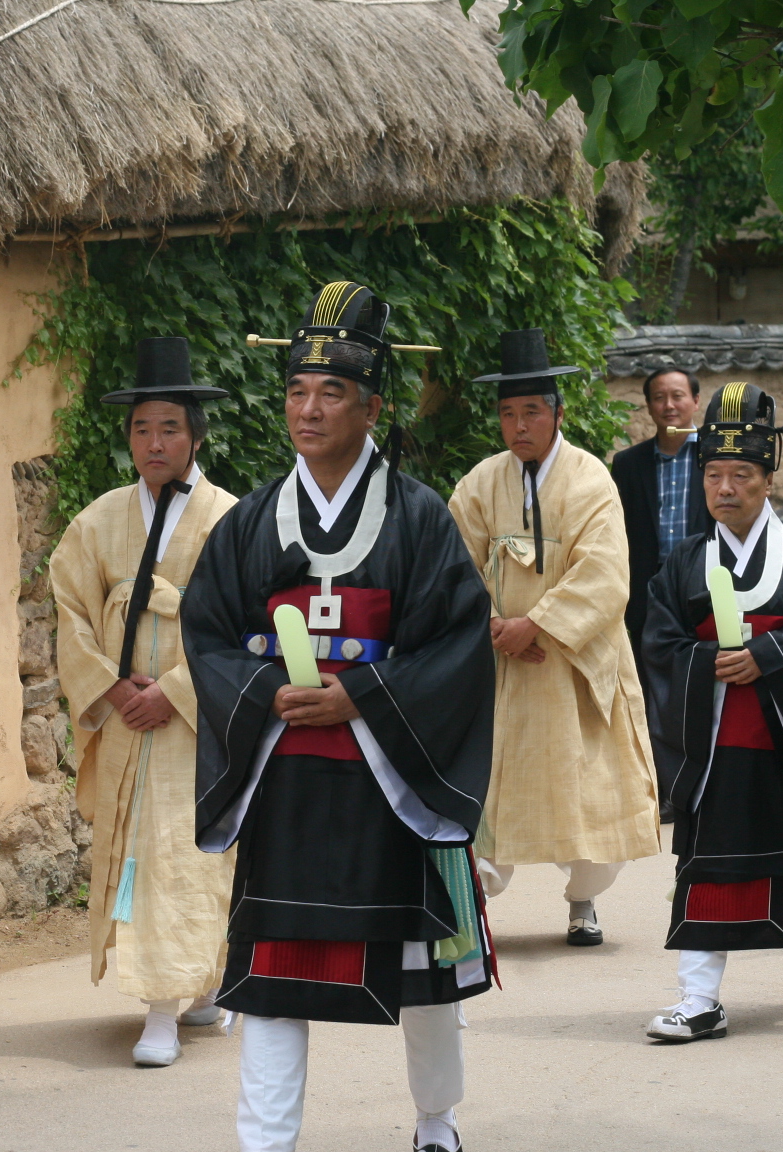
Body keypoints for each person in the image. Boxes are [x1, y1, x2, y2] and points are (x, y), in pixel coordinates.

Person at [184, 282, 496, 1152]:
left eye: (330, 393)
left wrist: (360, 692)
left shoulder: (422, 519)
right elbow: (207, 635)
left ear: (372, 408)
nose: (307, 409)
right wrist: (266, 695)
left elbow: (459, 644)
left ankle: (437, 1124)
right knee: (272, 978)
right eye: (295, 391)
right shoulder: (248, 525)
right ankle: (265, 1142)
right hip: (288, 785)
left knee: (426, 977)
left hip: (396, 783)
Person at [641, 381, 783, 1042]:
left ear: (766, 478)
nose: (724, 489)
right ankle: (698, 999)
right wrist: (704, 662)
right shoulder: (687, 560)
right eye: (713, 474)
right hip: (716, 742)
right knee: (704, 870)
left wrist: (769, 655)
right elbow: (658, 641)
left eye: (740, 474)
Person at [50, 337, 238, 1067]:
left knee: (187, 857)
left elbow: (244, 625)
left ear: (196, 435)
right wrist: (110, 685)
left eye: (169, 428)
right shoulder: (98, 521)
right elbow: (68, 610)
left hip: (196, 723)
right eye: (141, 428)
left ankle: (178, 1001)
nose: (154, 442)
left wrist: (178, 691)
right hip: (128, 718)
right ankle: (175, 997)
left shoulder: (230, 518)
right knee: (138, 858)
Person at [448, 329, 660, 946]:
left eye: (532, 412)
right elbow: (455, 567)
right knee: (487, 790)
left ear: (558, 413)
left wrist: (536, 624)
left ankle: (582, 902)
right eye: (508, 414)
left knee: (590, 792)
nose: (519, 426)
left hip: (570, 662)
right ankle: (474, 905)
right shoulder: (481, 483)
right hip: (501, 664)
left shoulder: (592, 479)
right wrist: (492, 626)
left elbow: (605, 572)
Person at [611, 367, 710, 819]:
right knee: (649, 691)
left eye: (677, 396)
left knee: (698, 687)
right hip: (643, 596)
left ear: (694, 400)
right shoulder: (628, 464)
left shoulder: (712, 457)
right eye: (658, 398)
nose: (668, 406)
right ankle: (661, 790)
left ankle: (704, 782)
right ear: (649, 405)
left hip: (702, 592)